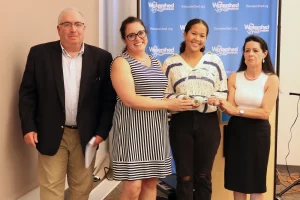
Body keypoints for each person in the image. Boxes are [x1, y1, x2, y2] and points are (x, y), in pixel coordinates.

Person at [19, 8, 116, 200]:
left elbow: (108, 99)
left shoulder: (102, 58)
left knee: (81, 188)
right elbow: (27, 94)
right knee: (51, 187)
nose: (73, 29)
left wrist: (102, 132)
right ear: (58, 29)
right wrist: (28, 127)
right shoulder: (40, 54)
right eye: (67, 24)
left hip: (86, 135)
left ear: (84, 28)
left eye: (78, 24)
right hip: (51, 132)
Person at [110, 16, 195, 200]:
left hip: (155, 129)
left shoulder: (156, 62)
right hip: (131, 130)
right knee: (133, 188)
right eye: (131, 35)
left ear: (146, 34)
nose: (137, 38)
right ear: (125, 39)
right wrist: (168, 104)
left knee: (150, 184)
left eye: (140, 33)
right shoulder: (121, 63)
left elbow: (159, 95)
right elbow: (129, 100)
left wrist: (180, 101)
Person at [162, 18, 228, 200]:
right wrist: (181, 100)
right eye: (194, 33)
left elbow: (223, 91)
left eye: (202, 35)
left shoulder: (214, 61)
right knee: (184, 176)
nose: (197, 38)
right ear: (185, 34)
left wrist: (216, 99)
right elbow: (164, 95)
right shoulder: (170, 63)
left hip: (208, 123)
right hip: (180, 123)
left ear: (206, 39)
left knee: (203, 176)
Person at [219, 35, 279, 200]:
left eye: (255, 50)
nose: (250, 54)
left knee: (255, 180)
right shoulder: (234, 77)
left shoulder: (271, 79)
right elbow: (230, 108)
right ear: (243, 54)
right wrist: (220, 102)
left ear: (264, 54)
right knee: (237, 180)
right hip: (237, 131)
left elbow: (265, 112)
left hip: (258, 133)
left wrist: (239, 111)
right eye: (247, 50)